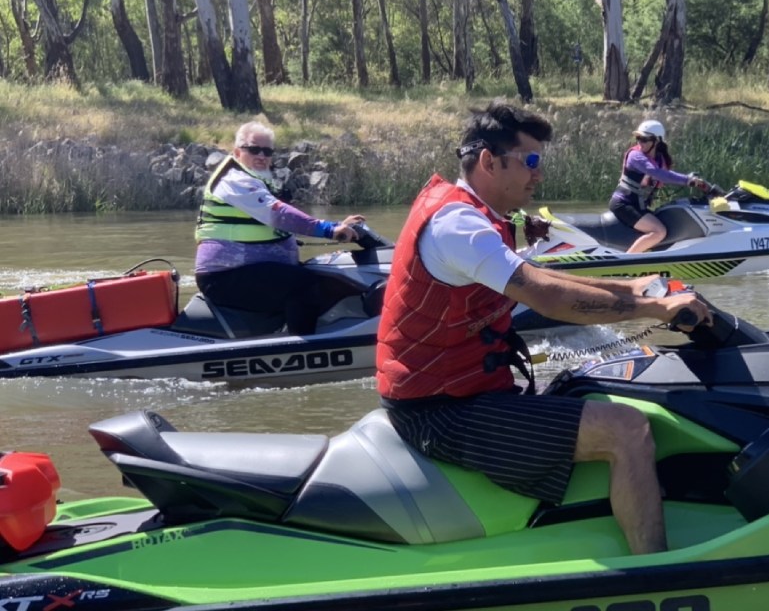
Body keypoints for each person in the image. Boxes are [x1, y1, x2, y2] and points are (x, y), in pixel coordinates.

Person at [375, 102, 713, 555]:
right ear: (489, 162)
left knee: (600, 382)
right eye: (530, 161)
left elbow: (549, 279)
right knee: (627, 429)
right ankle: (656, 574)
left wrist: (635, 284)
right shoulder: (458, 226)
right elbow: (547, 297)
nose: (538, 174)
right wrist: (655, 310)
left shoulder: (479, 214)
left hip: (464, 391)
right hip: (440, 412)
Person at [194, 121, 365, 335]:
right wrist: (330, 229)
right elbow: (278, 214)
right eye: (254, 149)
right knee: (303, 285)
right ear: (238, 152)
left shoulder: (256, 181)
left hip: (245, 271)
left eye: (267, 151)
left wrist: (343, 226)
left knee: (327, 276)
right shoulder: (235, 180)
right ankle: (303, 350)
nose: (261, 156)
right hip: (224, 277)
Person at [609, 119, 712, 254]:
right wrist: (688, 181)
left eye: (644, 139)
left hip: (638, 205)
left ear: (656, 141)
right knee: (659, 231)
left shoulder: (659, 159)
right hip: (623, 203)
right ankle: (626, 262)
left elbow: (666, 175)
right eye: (638, 138)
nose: (640, 142)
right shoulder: (636, 156)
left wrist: (697, 183)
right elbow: (658, 174)